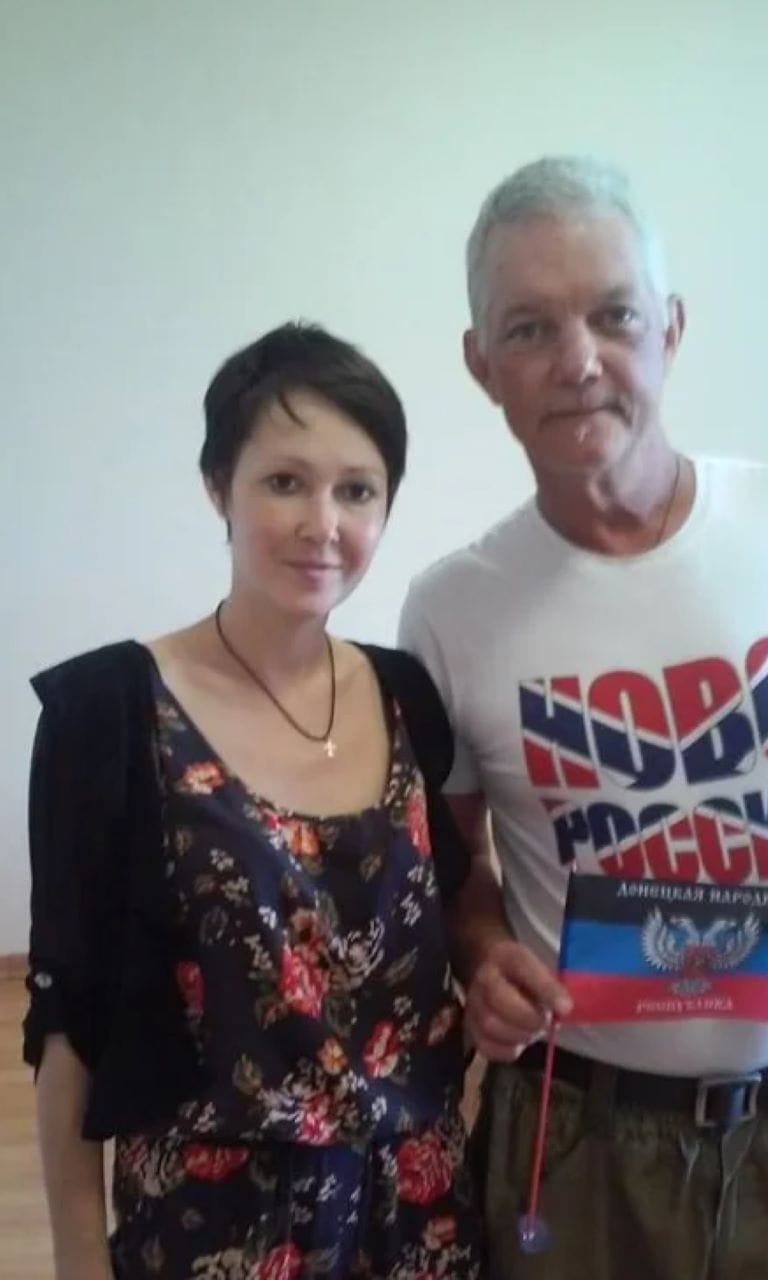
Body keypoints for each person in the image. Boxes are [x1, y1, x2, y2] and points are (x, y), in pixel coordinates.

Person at [398, 155, 768, 1279]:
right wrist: (483, 953)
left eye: (614, 314)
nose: (578, 361)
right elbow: (455, 862)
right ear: (481, 365)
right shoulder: (450, 608)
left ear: (670, 327)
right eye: (529, 328)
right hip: (576, 1145)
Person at [24, 322, 483, 1280]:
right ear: (216, 486)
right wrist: (77, 1258)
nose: (323, 523)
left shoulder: (407, 697)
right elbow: (69, 1019)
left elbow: (454, 918)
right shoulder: (109, 714)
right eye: (284, 481)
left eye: (357, 490)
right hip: (214, 1228)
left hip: (421, 1217)